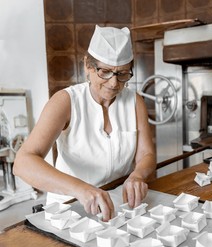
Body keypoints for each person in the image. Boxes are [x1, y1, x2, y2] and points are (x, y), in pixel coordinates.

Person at [13, 25, 156, 222]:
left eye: (122, 74)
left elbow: (146, 155)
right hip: (69, 208)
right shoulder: (65, 101)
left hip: (118, 206)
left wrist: (138, 175)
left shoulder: (134, 101)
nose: (114, 83)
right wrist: (81, 189)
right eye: (105, 72)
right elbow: (23, 163)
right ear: (87, 66)